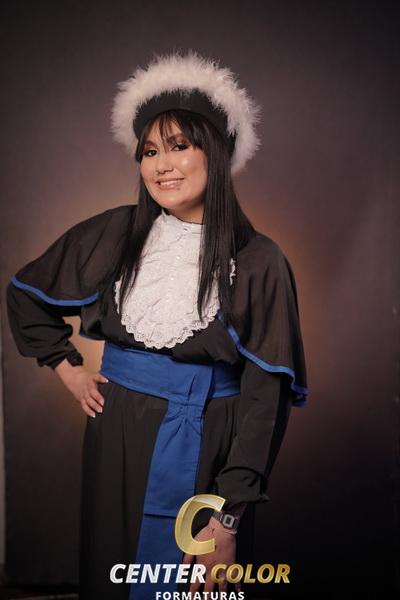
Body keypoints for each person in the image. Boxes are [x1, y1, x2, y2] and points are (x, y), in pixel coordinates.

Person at [6, 50, 308, 600]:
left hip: (208, 440)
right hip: (116, 436)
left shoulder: (259, 259)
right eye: (149, 151)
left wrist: (228, 517)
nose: (161, 165)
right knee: (111, 573)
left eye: (179, 146)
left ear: (215, 153)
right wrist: (69, 369)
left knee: (193, 583)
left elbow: (266, 399)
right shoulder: (117, 232)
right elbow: (26, 295)